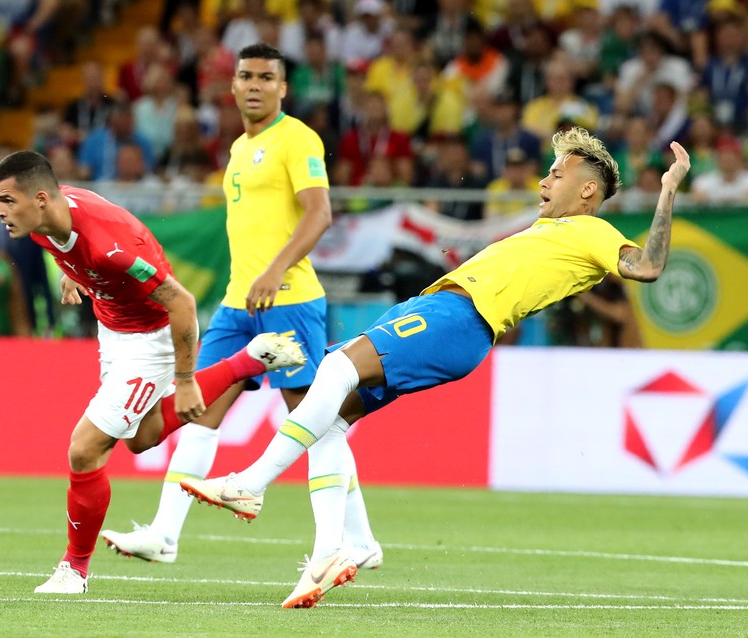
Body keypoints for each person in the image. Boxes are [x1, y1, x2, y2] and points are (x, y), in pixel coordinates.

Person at [180, 126, 692, 608]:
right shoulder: (550, 230)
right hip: (438, 312)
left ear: (586, 190)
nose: (543, 180)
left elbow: (646, 266)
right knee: (332, 421)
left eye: (556, 173)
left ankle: (251, 484)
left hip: (459, 319)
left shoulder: (590, 230)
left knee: (335, 369)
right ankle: (340, 550)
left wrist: (667, 191)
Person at [100, 42, 382, 573]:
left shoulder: (298, 138)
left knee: (314, 421)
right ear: (231, 85)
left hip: (290, 300)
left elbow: (319, 213)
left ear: (282, 87)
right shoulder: (235, 148)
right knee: (200, 411)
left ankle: (360, 539)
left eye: (266, 77)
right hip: (237, 304)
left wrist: (275, 269)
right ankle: (164, 534)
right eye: (246, 75)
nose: (254, 84)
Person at [0, 150, 307, 594]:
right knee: (142, 439)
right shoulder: (44, 219)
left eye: (5, 200)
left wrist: (185, 379)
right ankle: (248, 361)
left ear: (41, 198)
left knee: (83, 450)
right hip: (112, 326)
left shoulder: (109, 246)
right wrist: (72, 271)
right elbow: (72, 243)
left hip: (154, 334)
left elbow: (182, 303)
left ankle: (73, 570)